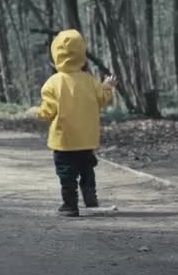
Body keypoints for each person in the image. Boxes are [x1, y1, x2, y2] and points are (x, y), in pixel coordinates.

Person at [30, 29, 117, 217]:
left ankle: (70, 205)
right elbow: (102, 98)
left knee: (67, 173)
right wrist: (108, 87)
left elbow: (48, 111)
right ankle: (90, 198)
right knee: (87, 168)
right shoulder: (90, 81)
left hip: (64, 140)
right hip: (86, 139)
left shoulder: (52, 83)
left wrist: (36, 113)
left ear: (56, 58)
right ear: (82, 57)